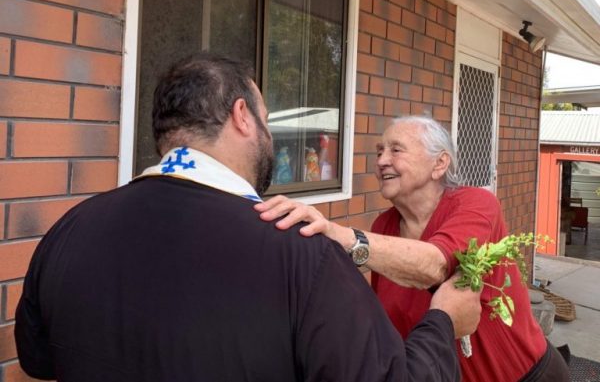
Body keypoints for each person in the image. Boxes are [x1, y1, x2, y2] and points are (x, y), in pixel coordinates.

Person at [15, 55, 482, 382]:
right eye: (265, 117)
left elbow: (37, 360)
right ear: (242, 116)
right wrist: (442, 321)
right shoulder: (301, 252)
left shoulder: (69, 230)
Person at [256, 116, 570, 382]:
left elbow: (435, 264)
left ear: (440, 163)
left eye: (396, 150)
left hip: (528, 375)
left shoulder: (475, 203)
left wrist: (337, 232)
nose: (381, 161)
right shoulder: (384, 227)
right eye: (379, 151)